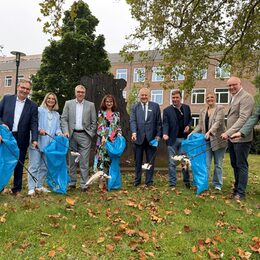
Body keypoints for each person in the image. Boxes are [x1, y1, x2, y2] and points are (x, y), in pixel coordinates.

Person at [0, 79, 38, 196]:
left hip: (21, 138)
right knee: (2, 162)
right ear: (18, 87)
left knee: (19, 164)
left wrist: (35, 139)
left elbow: (34, 123)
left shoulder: (32, 106)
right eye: (23, 88)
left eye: (27, 89)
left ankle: (17, 189)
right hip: (5, 137)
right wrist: (1, 126)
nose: (24, 91)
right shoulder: (7, 99)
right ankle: (0, 187)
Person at [221, 76, 254, 200]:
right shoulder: (234, 97)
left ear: (240, 83)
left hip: (242, 138)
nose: (231, 87)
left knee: (241, 164)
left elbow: (243, 118)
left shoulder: (246, 97)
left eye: (234, 84)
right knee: (234, 164)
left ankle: (240, 193)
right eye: (229, 85)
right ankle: (236, 189)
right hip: (232, 138)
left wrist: (228, 132)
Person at [61, 85, 97, 192]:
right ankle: (72, 182)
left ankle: (83, 184)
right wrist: (66, 131)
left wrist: (89, 133)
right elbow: (64, 119)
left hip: (85, 136)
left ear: (85, 93)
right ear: (75, 92)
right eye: (78, 92)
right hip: (71, 135)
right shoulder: (68, 103)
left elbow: (94, 122)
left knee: (84, 161)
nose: (80, 94)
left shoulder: (90, 105)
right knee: (72, 160)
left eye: (82, 92)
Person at [27, 92, 62, 196]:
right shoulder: (39, 110)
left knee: (44, 166)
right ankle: (31, 188)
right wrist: (38, 130)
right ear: (46, 100)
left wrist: (60, 133)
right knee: (34, 165)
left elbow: (57, 128)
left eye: (53, 99)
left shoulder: (56, 114)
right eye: (49, 98)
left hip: (49, 145)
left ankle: (39, 186)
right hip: (37, 141)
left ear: (55, 101)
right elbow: (33, 123)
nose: (51, 100)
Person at [191, 92, 227, 190]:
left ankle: (217, 184)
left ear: (215, 98)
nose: (209, 99)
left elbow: (218, 123)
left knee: (218, 164)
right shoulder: (203, 110)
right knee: (206, 164)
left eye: (211, 97)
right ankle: (204, 183)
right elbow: (200, 125)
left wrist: (210, 132)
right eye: (207, 97)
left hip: (218, 140)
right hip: (206, 142)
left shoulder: (220, 109)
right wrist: (192, 133)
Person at [130, 87, 162, 187]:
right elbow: (133, 121)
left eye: (145, 95)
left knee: (150, 161)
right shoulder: (135, 107)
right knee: (138, 161)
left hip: (151, 139)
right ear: (139, 96)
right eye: (142, 95)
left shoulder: (155, 106)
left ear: (149, 96)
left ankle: (149, 181)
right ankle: (137, 180)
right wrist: (134, 132)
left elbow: (158, 123)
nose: (144, 97)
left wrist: (158, 135)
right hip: (138, 139)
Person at [163, 89, 192, 188]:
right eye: (173, 98)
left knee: (184, 161)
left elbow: (190, 119)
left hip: (184, 140)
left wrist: (188, 125)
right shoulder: (167, 110)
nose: (175, 99)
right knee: (172, 162)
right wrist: (165, 133)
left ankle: (186, 181)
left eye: (177, 97)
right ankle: (172, 183)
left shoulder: (186, 108)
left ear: (180, 98)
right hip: (172, 140)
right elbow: (165, 123)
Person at [93, 94, 122, 190]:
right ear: (104, 103)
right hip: (102, 141)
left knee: (110, 162)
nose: (109, 103)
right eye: (107, 101)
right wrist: (102, 136)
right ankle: (101, 182)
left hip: (113, 142)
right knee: (101, 162)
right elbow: (99, 126)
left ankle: (110, 181)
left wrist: (119, 133)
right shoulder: (101, 113)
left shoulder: (117, 114)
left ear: (113, 103)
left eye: (111, 101)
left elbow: (118, 127)